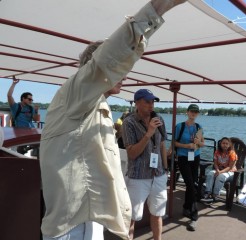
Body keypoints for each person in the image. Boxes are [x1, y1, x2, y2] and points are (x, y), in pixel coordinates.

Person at [39, 1, 187, 239]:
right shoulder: (74, 93)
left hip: (91, 216)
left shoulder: (96, 104)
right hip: (69, 224)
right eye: (118, 70)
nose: (123, 76)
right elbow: (108, 60)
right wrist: (158, 8)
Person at [122, 89, 168, 240]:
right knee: (132, 216)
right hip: (138, 177)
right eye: (147, 101)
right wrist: (148, 133)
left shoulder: (159, 118)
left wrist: (166, 169)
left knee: (158, 213)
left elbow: (162, 145)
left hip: (159, 175)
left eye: (153, 101)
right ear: (137, 102)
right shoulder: (129, 122)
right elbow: (132, 153)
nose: (151, 105)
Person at [174, 103, 205, 231]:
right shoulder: (180, 126)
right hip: (183, 157)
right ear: (187, 112)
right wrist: (187, 146)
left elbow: (203, 144)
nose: (193, 113)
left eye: (196, 112)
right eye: (191, 111)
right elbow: (174, 142)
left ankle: (186, 207)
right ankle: (194, 216)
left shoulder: (199, 127)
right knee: (191, 184)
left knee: (192, 184)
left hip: (195, 157)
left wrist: (199, 143)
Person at [200, 137, 237, 203]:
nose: (225, 145)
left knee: (221, 177)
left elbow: (230, 167)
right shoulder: (217, 152)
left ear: (229, 145)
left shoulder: (232, 153)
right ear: (220, 144)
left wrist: (220, 172)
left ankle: (215, 195)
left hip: (230, 172)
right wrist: (217, 170)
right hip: (219, 170)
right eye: (223, 143)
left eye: (226, 143)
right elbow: (215, 163)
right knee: (210, 173)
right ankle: (208, 193)